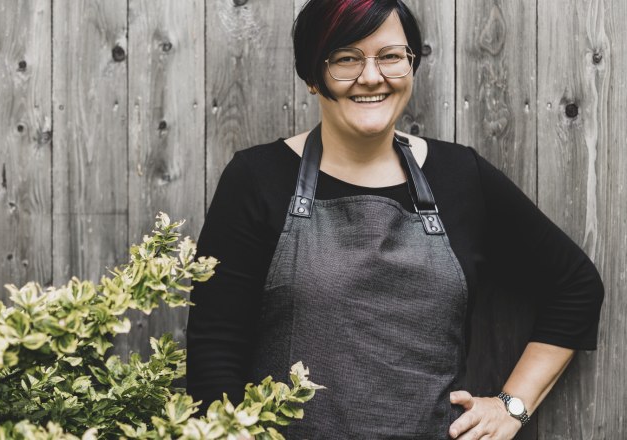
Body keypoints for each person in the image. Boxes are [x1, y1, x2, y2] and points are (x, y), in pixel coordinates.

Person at [187, 0, 604, 438]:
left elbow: (576, 286)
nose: (371, 76)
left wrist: (511, 407)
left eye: (390, 57)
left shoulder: (461, 176)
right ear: (312, 75)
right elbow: (215, 350)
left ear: (411, 65)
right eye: (346, 58)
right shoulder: (257, 179)